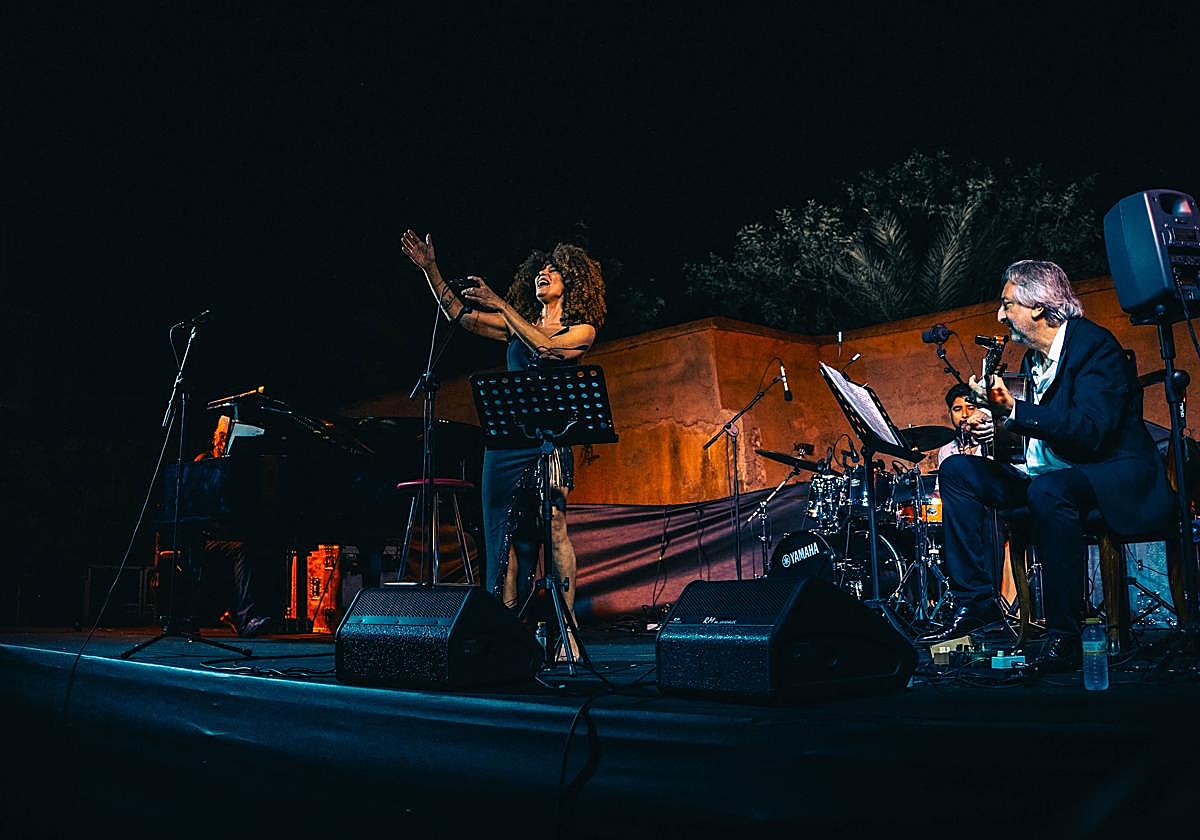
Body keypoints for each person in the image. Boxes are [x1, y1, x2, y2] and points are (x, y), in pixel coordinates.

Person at [926, 260, 1174, 673]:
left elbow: (1091, 431)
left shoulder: (1095, 347)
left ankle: (1065, 635)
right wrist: (999, 425)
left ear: (1038, 307)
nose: (1000, 315)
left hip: (1106, 475)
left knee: (1049, 490)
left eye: (1007, 304)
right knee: (958, 471)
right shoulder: (1032, 361)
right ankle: (978, 603)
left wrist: (1015, 411)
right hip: (1047, 477)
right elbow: (1035, 431)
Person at [400, 229, 606, 631]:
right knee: (502, 537)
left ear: (572, 282)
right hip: (507, 441)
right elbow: (460, 315)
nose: (544, 273)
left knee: (554, 523)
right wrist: (431, 270)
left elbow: (545, 348)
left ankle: (567, 630)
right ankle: (506, 629)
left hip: (551, 439)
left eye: (554, 270)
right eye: (540, 269)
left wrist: (501, 303)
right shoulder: (515, 325)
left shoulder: (582, 329)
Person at [191, 415, 279, 637]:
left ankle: (245, 612)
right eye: (223, 438)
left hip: (226, 533)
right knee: (242, 549)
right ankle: (246, 617)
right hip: (205, 536)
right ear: (219, 439)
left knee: (262, 544)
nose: (224, 443)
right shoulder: (205, 461)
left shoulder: (236, 467)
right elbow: (200, 505)